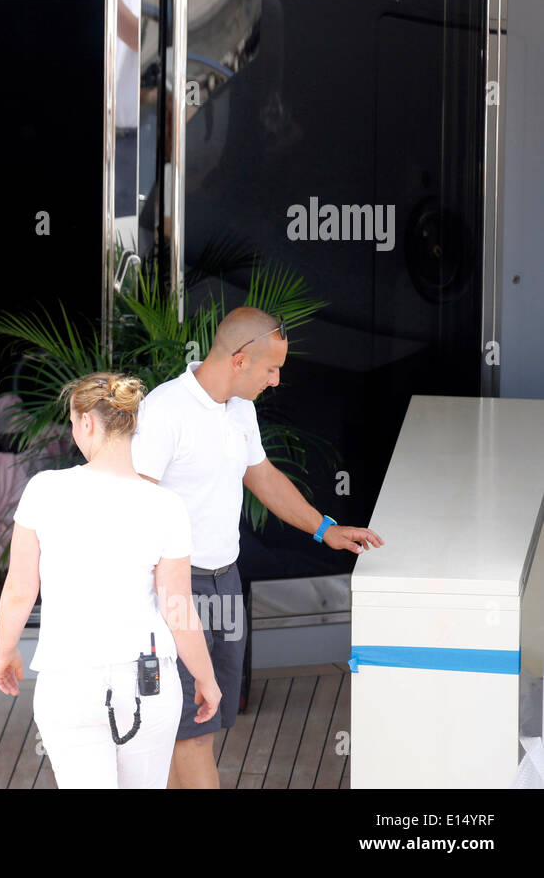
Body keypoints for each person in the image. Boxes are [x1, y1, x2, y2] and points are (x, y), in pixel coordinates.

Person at [131, 306, 385, 788]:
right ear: (240, 360)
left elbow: (262, 477)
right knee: (193, 733)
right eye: (272, 368)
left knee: (198, 725)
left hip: (226, 581)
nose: (276, 380)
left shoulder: (240, 410)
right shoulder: (165, 411)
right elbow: (133, 506)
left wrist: (325, 528)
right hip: (175, 592)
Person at [0, 372, 221, 788]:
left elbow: (20, 591)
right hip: (148, 679)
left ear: (86, 423)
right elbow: (178, 606)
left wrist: (5, 651)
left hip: (69, 679)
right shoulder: (166, 504)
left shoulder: (44, 490)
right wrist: (205, 677)